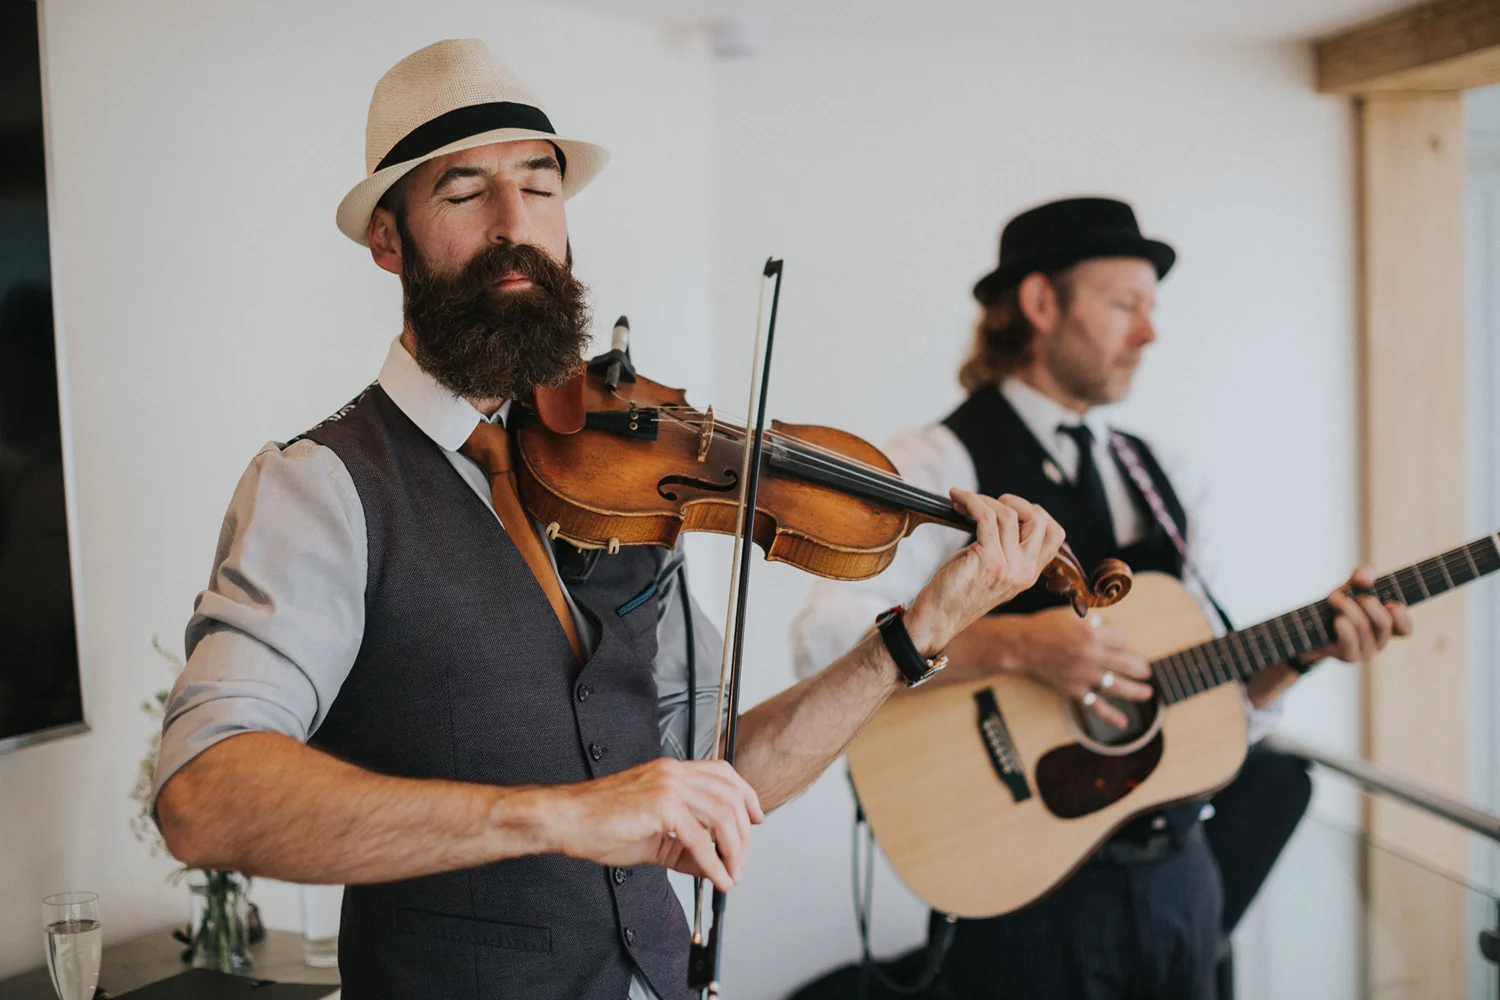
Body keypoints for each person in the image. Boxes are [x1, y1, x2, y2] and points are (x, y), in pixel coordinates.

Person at [150, 39, 1066, 1000]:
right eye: (464, 192)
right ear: (388, 240)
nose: (515, 225)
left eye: (539, 186)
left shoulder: (631, 470)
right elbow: (204, 795)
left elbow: (722, 773)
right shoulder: (322, 486)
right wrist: (561, 815)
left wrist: (918, 632)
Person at [790, 196, 1414, 1000]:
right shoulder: (937, 461)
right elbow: (822, 637)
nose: (1149, 333)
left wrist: (1299, 656)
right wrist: (1017, 646)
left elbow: (1209, 709)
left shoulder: (1163, 477)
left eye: (1151, 309)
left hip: (1179, 888)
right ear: (1041, 303)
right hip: (1026, 903)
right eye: (1126, 305)